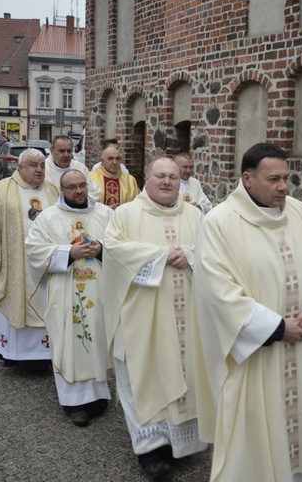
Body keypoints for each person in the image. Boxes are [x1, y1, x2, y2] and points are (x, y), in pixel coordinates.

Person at [193, 142, 302, 481]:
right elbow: (217, 291)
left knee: (298, 435)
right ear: (248, 180)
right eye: (273, 179)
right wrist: (277, 328)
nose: (283, 187)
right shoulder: (219, 223)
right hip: (254, 357)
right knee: (253, 443)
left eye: (286, 178)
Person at [101, 156, 207, 478]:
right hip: (141, 317)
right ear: (146, 177)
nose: (166, 182)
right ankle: (151, 450)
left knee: (187, 374)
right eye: (159, 176)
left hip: (189, 315)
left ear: (181, 181)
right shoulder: (125, 214)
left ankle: (184, 444)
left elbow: (215, 254)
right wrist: (161, 256)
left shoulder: (197, 215)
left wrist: (189, 255)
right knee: (142, 376)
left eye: (173, 177)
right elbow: (114, 251)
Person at [25, 170, 114, 427]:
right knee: (69, 340)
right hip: (65, 292)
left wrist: (101, 249)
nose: (79, 191)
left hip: (99, 291)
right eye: (72, 187)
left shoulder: (105, 214)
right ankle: (74, 403)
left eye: (82, 186)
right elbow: (33, 251)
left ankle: (98, 396)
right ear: (62, 191)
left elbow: (122, 245)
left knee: (96, 338)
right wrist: (69, 252)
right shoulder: (49, 217)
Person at [0, 148, 58, 369]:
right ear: (20, 167)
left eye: (42, 165)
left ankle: (46, 356)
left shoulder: (53, 191)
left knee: (45, 305)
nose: (39, 170)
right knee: (11, 301)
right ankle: (11, 352)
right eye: (33, 165)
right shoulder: (0, 190)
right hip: (11, 266)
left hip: (45, 268)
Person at [44, 134, 101, 202]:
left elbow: (94, 192)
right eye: (62, 151)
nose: (66, 155)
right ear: (51, 150)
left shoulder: (80, 168)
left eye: (69, 151)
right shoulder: (43, 169)